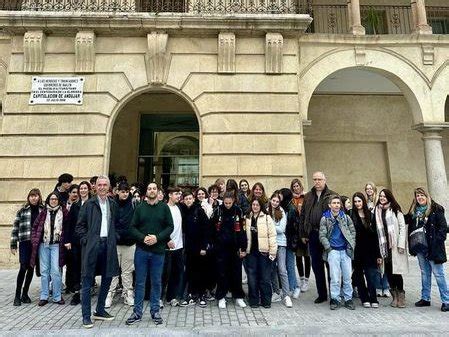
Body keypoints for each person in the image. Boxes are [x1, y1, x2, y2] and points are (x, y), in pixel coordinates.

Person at [126, 182, 174, 326]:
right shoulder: (140, 208)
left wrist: (157, 238)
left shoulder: (164, 208)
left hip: (158, 251)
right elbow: (132, 228)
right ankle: (137, 312)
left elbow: (170, 226)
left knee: (156, 282)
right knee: (140, 282)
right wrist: (143, 238)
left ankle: (155, 311)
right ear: (146, 192)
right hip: (141, 251)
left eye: (154, 188)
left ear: (158, 191)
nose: (152, 191)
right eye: (149, 188)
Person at [76, 175, 120, 328]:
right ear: (95, 187)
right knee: (87, 281)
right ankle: (86, 316)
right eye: (99, 185)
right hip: (92, 247)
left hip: (108, 245)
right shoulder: (89, 204)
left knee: (107, 278)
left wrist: (115, 237)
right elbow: (79, 227)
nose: (102, 187)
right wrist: (86, 240)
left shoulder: (113, 204)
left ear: (109, 187)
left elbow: (117, 223)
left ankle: (100, 310)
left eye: (105, 185)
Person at [405, 187, 449, 312]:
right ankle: (425, 298)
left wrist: (437, 241)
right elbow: (405, 219)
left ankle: (446, 300)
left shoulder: (436, 209)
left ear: (427, 196)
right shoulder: (414, 211)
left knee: (438, 274)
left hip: (433, 247)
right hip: (420, 246)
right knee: (425, 273)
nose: (419, 198)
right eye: (417, 196)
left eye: (421, 195)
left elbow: (443, 227)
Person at [299, 171, 336, 303]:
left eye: (319, 179)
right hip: (313, 234)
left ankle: (334, 295)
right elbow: (303, 215)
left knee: (330, 265)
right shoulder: (308, 196)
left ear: (325, 180)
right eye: (315, 179)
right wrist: (303, 233)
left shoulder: (332, 195)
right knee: (317, 265)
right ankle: (322, 294)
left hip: (328, 235)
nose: (317, 182)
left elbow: (338, 215)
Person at [30, 192, 69, 306]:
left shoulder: (64, 212)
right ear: (48, 200)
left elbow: (67, 227)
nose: (53, 201)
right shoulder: (43, 212)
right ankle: (44, 296)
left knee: (56, 271)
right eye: (51, 199)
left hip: (57, 245)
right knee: (44, 271)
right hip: (44, 244)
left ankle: (57, 296)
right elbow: (35, 227)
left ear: (58, 200)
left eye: (55, 199)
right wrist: (35, 239)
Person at [210, 191, 247, 309]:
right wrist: (214, 244)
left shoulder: (238, 211)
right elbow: (211, 228)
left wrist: (243, 247)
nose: (227, 205)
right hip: (221, 248)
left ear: (233, 201)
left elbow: (242, 230)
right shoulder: (218, 210)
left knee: (236, 273)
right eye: (225, 203)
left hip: (235, 248)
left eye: (230, 203)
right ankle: (221, 297)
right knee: (221, 273)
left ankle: (238, 297)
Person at [319, 195, 356, 310]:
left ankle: (348, 298)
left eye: (338, 203)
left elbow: (352, 231)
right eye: (334, 203)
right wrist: (328, 248)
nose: (336, 205)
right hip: (333, 251)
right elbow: (322, 235)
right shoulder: (325, 218)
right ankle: (335, 298)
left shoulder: (345, 217)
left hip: (345, 251)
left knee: (347, 277)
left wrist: (351, 244)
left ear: (340, 205)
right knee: (334, 277)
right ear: (330, 205)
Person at [373, 188, 409, 308]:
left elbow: (402, 227)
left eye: (384, 196)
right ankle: (394, 297)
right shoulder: (376, 211)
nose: (382, 198)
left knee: (397, 273)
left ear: (389, 197)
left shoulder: (395, 210)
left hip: (395, 246)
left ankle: (401, 297)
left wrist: (401, 244)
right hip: (383, 247)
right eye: (381, 196)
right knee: (388, 273)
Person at [10, 188, 44, 306]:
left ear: (39, 197)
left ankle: (25, 294)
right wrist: (13, 244)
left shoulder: (43, 210)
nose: (34, 198)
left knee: (31, 268)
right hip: (25, 242)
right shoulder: (22, 211)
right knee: (23, 267)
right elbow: (15, 228)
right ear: (28, 197)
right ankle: (17, 295)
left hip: (37, 243)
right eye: (31, 196)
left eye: (36, 196)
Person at [105, 181, 136, 308]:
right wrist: (114, 235)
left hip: (129, 243)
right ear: (117, 192)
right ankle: (109, 294)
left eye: (127, 192)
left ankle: (128, 293)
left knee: (127, 271)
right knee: (113, 271)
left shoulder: (134, 204)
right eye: (122, 191)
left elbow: (136, 222)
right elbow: (109, 222)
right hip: (115, 243)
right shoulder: (112, 204)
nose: (125, 194)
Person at [245, 198, 277, 308]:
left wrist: (273, 252)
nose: (255, 207)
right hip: (251, 252)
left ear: (261, 206)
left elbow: (272, 236)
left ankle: (266, 301)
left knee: (265, 278)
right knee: (252, 278)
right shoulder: (247, 217)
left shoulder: (267, 218)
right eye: (253, 204)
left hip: (264, 252)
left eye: (257, 205)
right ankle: (253, 301)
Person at [351, 192, 380, 308]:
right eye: (355, 201)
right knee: (358, 276)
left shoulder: (371, 215)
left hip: (370, 250)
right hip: (357, 250)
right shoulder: (351, 215)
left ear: (363, 201)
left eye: (359, 201)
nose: (357, 203)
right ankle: (364, 298)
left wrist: (378, 254)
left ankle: (373, 298)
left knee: (371, 275)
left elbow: (376, 236)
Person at [65, 181, 91, 306]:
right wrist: (67, 240)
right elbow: (69, 224)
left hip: (90, 241)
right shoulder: (75, 206)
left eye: (85, 188)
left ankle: (86, 291)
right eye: (81, 188)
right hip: (76, 242)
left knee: (87, 267)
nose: (83, 190)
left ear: (89, 190)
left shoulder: (93, 204)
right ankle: (77, 293)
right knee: (76, 267)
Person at [181, 190, 210, 308]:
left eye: (190, 198)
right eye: (186, 199)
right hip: (189, 248)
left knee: (201, 271)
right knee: (190, 272)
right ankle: (191, 295)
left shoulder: (199, 211)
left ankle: (202, 295)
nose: (188, 201)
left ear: (193, 199)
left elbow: (206, 230)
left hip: (200, 248)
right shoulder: (182, 211)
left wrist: (204, 247)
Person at [162, 187, 185, 307]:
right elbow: (160, 226)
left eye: (179, 194)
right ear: (170, 195)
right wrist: (167, 240)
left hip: (179, 246)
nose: (179, 196)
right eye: (176, 194)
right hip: (167, 246)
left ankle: (171, 297)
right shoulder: (164, 208)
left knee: (176, 272)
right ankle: (159, 297)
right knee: (164, 273)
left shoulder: (179, 207)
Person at [268, 192, 292, 307]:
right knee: (272, 269)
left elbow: (282, 229)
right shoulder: (266, 210)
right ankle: (276, 292)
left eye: (277, 201)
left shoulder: (281, 212)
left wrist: (270, 224)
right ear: (270, 200)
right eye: (273, 200)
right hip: (269, 244)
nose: (275, 203)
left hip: (281, 243)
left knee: (282, 269)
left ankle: (286, 295)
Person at [279, 188, 301, 299]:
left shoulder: (291, 209)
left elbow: (295, 228)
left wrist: (293, 244)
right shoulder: (283, 207)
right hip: (284, 241)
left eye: (281, 195)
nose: (279, 197)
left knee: (290, 265)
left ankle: (295, 287)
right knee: (285, 266)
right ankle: (289, 287)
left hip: (289, 242)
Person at [290, 178, 310, 293]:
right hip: (296, 232)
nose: (296, 188)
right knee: (298, 256)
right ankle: (301, 278)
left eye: (297, 186)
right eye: (294, 186)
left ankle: (306, 280)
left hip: (305, 230)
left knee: (307, 256)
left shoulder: (306, 197)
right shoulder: (291, 200)